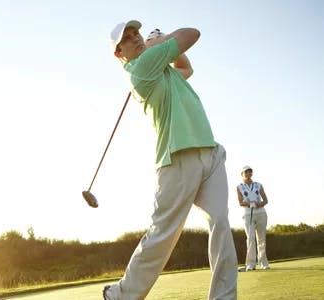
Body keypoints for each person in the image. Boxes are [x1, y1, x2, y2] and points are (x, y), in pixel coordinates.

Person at [103, 20, 238, 300]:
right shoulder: (140, 68)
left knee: (221, 224)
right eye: (127, 39)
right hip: (176, 158)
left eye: (136, 33)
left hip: (210, 152)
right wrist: (159, 41)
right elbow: (192, 34)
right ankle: (123, 295)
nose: (136, 38)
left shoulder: (162, 68)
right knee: (163, 234)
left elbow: (185, 68)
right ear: (119, 54)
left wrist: (162, 42)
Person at [237, 166, 270, 271]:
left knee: (262, 239)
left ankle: (263, 263)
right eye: (245, 172)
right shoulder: (239, 187)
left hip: (261, 213)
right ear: (242, 174)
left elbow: (265, 200)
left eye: (249, 172)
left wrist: (260, 203)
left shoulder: (258, 185)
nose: (248, 174)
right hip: (248, 214)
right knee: (250, 239)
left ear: (252, 173)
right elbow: (240, 202)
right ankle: (250, 264)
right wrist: (249, 203)